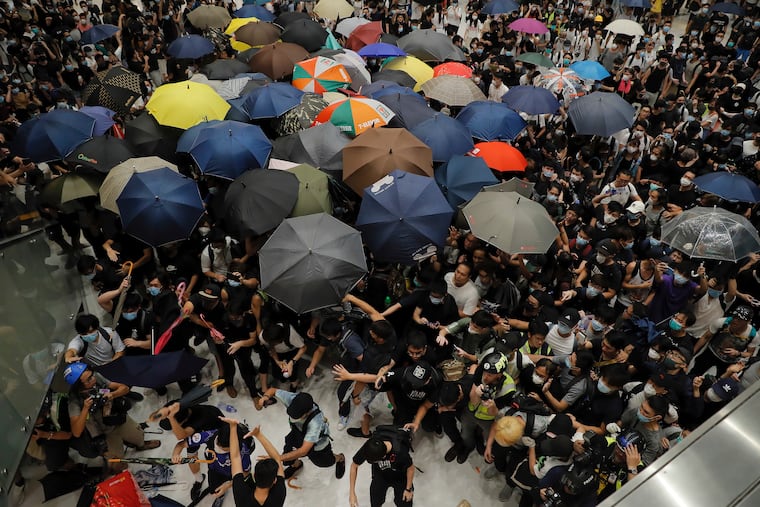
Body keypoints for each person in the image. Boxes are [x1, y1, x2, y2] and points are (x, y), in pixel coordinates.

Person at [63, 362, 159, 469]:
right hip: (103, 433)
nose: (93, 379)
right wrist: (85, 408)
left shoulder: (96, 378)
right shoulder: (74, 401)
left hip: (116, 418)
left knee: (138, 434)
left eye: (92, 375)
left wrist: (112, 395)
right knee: (117, 464)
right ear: (78, 386)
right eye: (88, 380)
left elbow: (124, 388)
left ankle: (140, 445)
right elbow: (76, 432)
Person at [256, 390, 346, 480]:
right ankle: (296, 465)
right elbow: (273, 390)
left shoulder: (315, 423)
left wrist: (277, 458)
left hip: (317, 444)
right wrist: (266, 396)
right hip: (298, 433)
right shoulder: (292, 399)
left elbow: (303, 450)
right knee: (288, 452)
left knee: (326, 462)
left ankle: (340, 458)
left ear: (307, 413)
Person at [349, 428, 415, 507]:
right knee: (375, 501)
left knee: (405, 502)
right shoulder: (370, 446)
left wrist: (408, 489)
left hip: (400, 476)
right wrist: (352, 492)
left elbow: (410, 469)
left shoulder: (400, 452)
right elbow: (354, 466)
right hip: (380, 475)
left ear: (383, 456)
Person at [227, 420, 286, 507]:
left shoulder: (242, 496)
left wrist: (233, 427)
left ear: (254, 475)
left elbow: (235, 458)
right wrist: (259, 435)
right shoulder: (279, 494)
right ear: (274, 481)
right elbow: (277, 458)